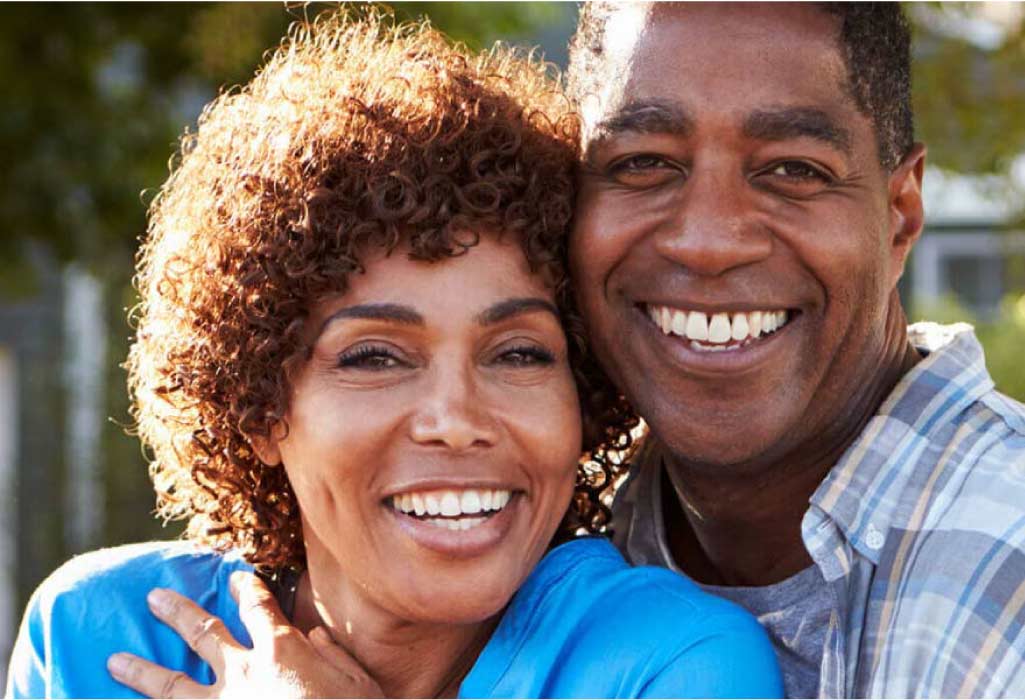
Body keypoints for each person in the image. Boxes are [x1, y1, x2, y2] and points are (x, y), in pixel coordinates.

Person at [5, 12, 784, 700]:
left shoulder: (671, 665)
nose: (455, 421)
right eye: (374, 357)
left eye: (517, 354)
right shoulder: (96, 639)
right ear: (259, 409)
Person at [565, 2, 1025, 698]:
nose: (708, 243)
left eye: (792, 170)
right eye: (643, 163)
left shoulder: (1005, 564)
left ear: (899, 216)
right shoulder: (542, 527)